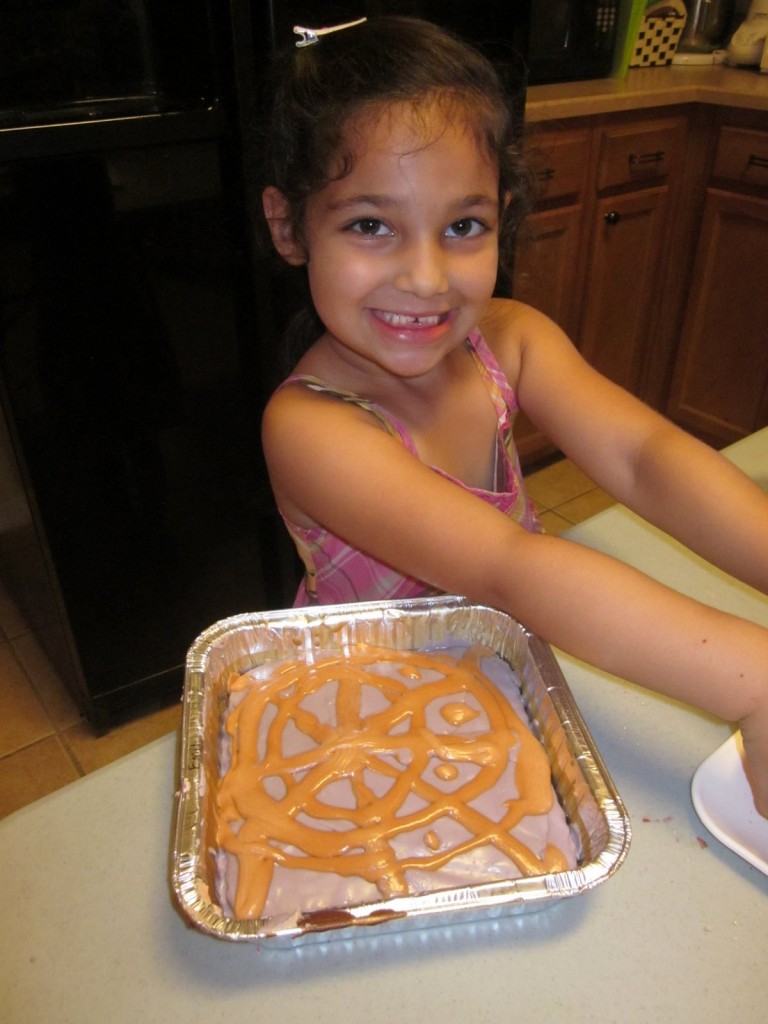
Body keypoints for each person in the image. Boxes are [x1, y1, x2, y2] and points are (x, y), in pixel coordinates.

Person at [258, 16, 768, 816]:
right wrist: (755, 684)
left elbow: (644, 457)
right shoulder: (311, 427)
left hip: (508, 674)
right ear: (289, 226)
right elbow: (510, 567)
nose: (426, 278)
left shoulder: (512, 338)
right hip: (374, 718)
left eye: (463, 226)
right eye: (369, 225)